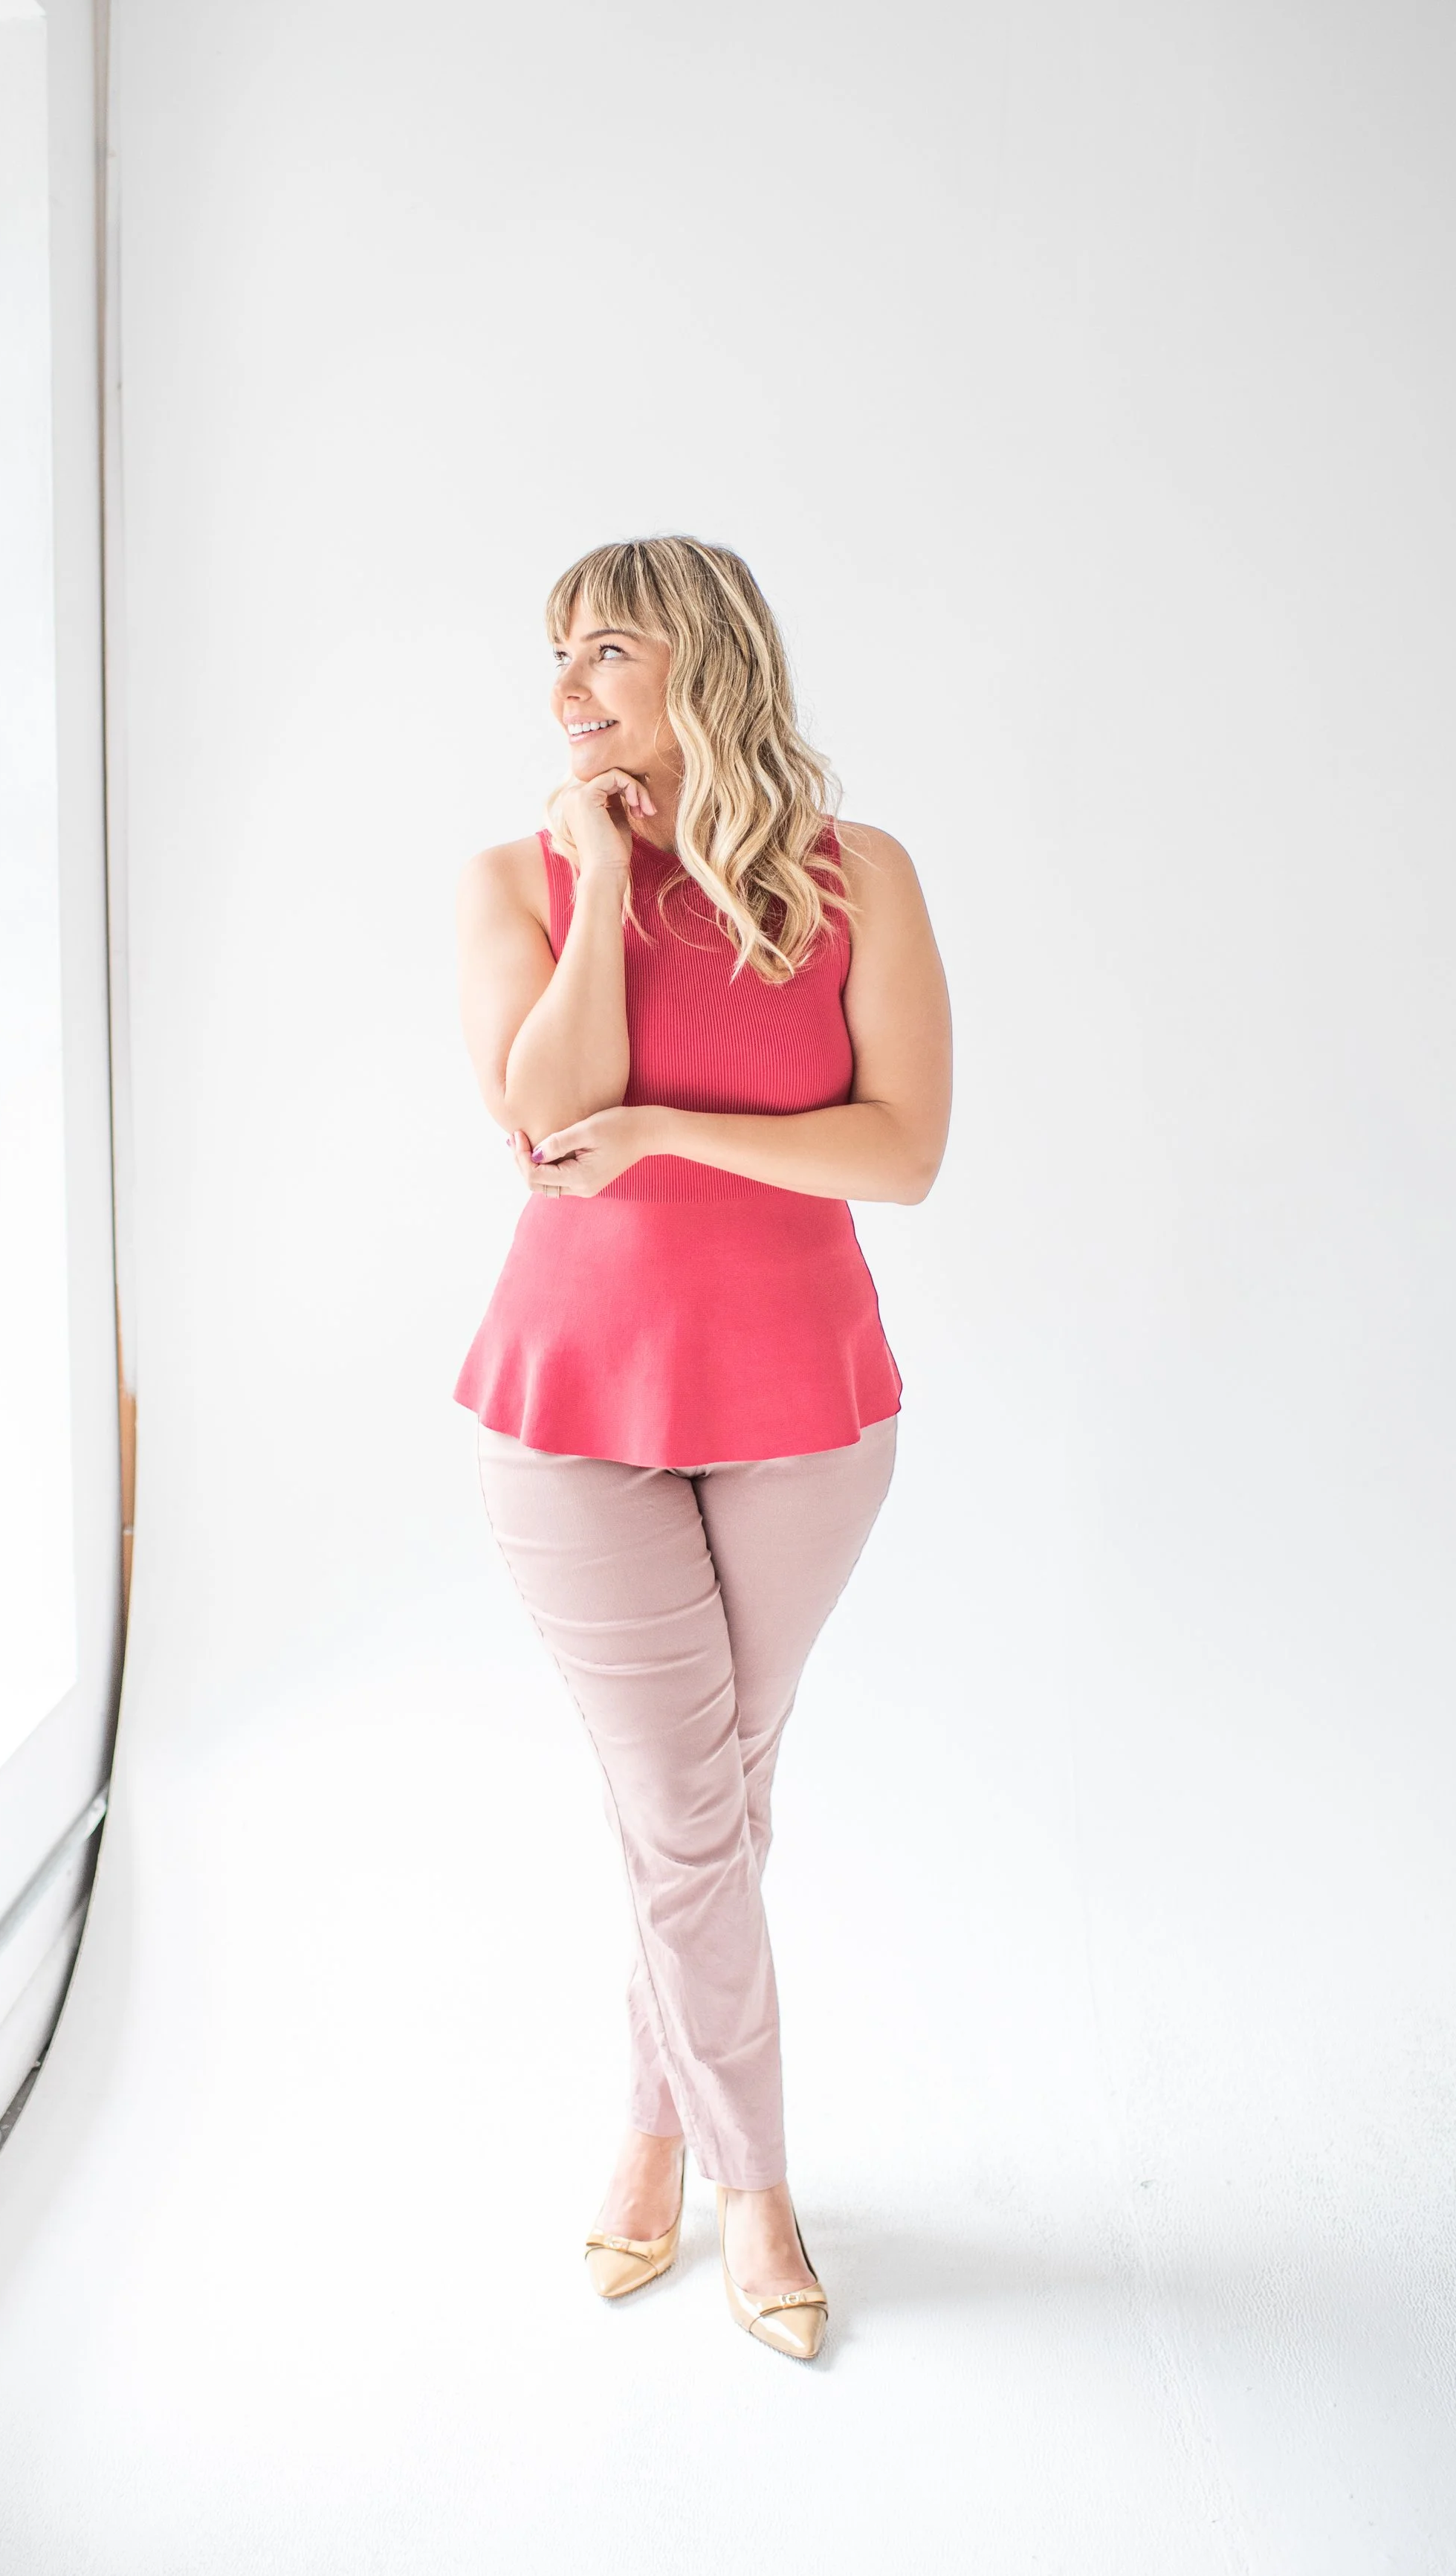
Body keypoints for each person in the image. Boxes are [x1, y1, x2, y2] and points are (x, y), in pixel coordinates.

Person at [454, 537, 951, 2360]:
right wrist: (600, 883)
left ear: (706, 663)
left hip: (805, 1411)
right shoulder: (517, 883)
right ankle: (756, 2191)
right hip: (571, 1409)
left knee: (708, 1811)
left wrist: (673, 1119)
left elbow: (898, 1152)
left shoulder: (857, 876)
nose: (568, 686)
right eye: (556, 658)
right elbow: (537, 1114)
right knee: (691, 1812)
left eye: (606, 650)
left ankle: (650, 2139)